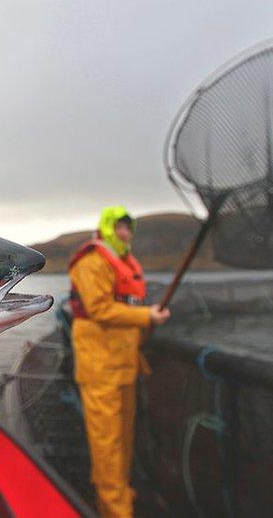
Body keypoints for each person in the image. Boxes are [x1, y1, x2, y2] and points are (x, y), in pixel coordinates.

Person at [68, 205, 171, 518]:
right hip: (101, 369)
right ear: (107, 228)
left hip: (125, 366)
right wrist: (146, 316)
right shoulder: (92, 261)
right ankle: (115, 510)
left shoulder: (125, 261)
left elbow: (127, 308)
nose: (125, 233)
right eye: (120, 227)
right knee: (107, 445)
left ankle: (119, 494)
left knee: (123, 442)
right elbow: (99, 309)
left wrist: (148, 318)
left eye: (129, 228)